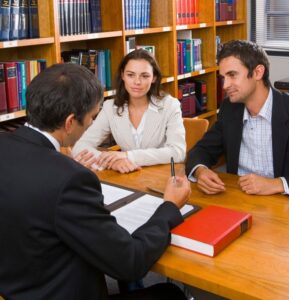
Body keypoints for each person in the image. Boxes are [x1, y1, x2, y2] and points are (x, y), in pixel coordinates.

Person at [0, 63, 191, 300]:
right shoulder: (70, 180)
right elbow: (130, 261)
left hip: (15, 288)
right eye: (91, 117)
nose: (92, 123)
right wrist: (170, 207)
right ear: (70, 122)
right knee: (170, 293)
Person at [186, 39, 289, 199]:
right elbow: (201, 150)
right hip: (239, 200)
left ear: (258, 72)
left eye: (232, 75)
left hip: (286, 206)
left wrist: (276, 184)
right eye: (223, 77)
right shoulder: (229, 109)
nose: (225, 85)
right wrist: (200, 171)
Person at [72, 49, 186, 173]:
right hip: (128, 176)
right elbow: (80, 146)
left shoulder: (170, 105)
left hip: (161, 177)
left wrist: (128, 156)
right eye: (130, 75)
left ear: (154, 78)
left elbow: (178, 152)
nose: (137, 82)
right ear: (122, 75)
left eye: (145, 76)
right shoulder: (110, 107)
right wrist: (114, 162)